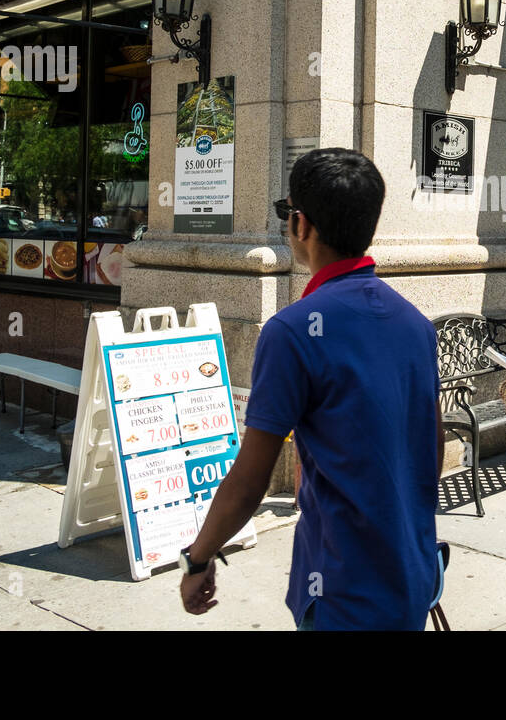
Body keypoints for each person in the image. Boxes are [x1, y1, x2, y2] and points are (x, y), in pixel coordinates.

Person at [178, 148, 443, 629]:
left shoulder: (292, 331)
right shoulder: (417, 325)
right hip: (414, 575)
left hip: (342, 588)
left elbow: (249, 481)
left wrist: (198, 558)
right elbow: (430, 445)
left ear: (301, 224)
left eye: (287, 213)